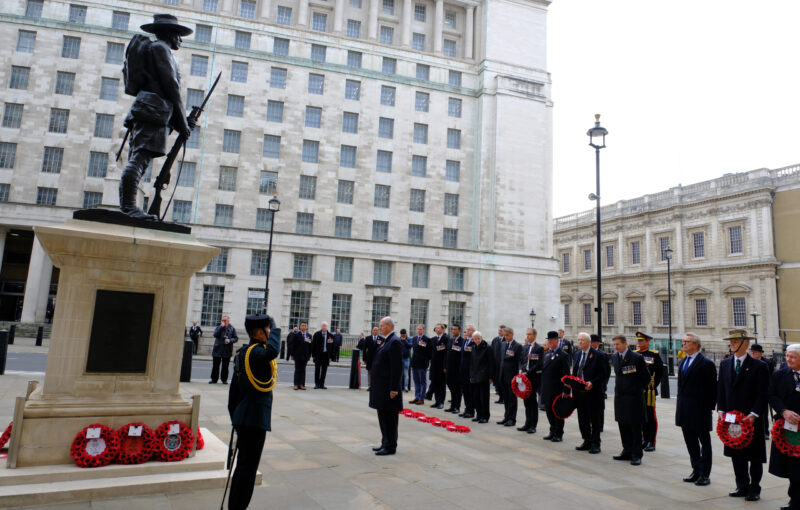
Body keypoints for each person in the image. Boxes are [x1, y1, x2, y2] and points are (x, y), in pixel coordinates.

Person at [120, 14, 194, 220]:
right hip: (152, 112)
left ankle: (129, 206)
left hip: (151, 110)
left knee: (139, 159)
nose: (180, 39)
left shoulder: (157, 49)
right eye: (178, 35)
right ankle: (128, 207)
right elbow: (172, 86)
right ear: (170, 34)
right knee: (139, 160)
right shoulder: (160, 49)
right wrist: (182, 122)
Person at [226, 314, 279, 510]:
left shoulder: (243, 353)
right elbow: (273, 351)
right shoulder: (256, 353)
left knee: (243, 467)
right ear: (259, 332)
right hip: (254, 420)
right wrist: (274, 326)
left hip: (244, 418)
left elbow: (233, 394)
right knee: (247, 471)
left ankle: (235, 506)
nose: (270, 333)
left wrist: (236, 419)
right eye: (267, 330)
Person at [717, 329, 769, 502]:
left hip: (750, 418)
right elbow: (721, 389)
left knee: (754, 456)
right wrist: (721, 410)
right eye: (730, 341)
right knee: (735, 452)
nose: (732, 344)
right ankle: (741, 485)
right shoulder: (725, 364)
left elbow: (763, 393)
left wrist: (754, 414)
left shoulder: (759, 366)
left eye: (735, 341)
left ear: (745, 343)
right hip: (731, 419)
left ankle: (755, 487)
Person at [676, 333, 717, 486]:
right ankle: (696, 469)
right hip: (685, 409)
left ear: (695, 344)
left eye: (686, 342)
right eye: (683, 342)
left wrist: (708, 409)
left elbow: (713, 389)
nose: (683, 344)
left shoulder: (706, 363)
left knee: (704, 443)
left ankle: (705, 474)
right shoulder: (682, 362)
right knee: (690, 442)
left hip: (700, 410)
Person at [768, 343, 800, 510]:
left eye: (792, 357)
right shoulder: (779, 375)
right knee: (793, 465)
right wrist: (784, 411)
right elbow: (771, 395)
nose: (788, 359)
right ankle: (794, 499)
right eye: (787, 356)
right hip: (787, 427)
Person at [611, 334, 650, 466]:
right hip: (620, 397)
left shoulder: (636, 357)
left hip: (634, 398)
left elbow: (646, 377)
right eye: (614, 345)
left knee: (635, 427)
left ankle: (636, 454)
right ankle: (626, 450)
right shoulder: (615, 357)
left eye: (618, 344)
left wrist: (639, 389)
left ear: (625, 344)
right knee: (623, 425)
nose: (616, 347)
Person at [369, 316, 403, 456]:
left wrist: (394, 388)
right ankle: (385, 442)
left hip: (389, 389)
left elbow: (396, 368)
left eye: (382, 325)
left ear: (389, 326)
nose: (380, 328)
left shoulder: (394, 342)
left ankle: (390, 446)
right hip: (381, 388)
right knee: (383, 416)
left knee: (390, 419)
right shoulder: (386, 341)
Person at [573, 331, 610, 453]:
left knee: (594, 419)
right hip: (579, 391)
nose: (580, 342)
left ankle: (596, 443)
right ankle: (586, 440)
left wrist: (592, 383)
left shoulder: (598, 355)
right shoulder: (577, 354)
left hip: (593, 392)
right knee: (582, 418)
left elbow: (603, 374)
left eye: (582, 340)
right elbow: (575, 372)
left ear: (589, 342)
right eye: (578, 340)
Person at [634, 331, 665, 452]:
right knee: (640, 416)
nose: (639, 342)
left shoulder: (653, 355)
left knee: (650, 416)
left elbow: (659, 373)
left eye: (641, 340)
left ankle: (651, 441)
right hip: (637, 390)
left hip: (649, 391)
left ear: (648, 341)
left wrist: (651, 386)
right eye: (638, 340)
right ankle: (644, 439)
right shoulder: (634, 354)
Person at [541, 330, 570, 441]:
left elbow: (566, 374)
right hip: (547, 387)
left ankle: (559, 433)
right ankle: (552, 431)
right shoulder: (547, 353)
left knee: (557, 412)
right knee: (548, 410)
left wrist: (566, 390)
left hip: (557, 388)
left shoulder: (563, 355)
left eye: (552, 340)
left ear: (557, 341)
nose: (550, 342)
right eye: (549, 340)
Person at [518, 328, 543, 434]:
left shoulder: (539, 348)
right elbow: (521, 360)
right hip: (524, 377)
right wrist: (520, 369)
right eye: (526, 334)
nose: (527, 336)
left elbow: (538, 364)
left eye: (529, 334)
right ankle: (527, 423)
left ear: (535, 336)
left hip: (533, 378)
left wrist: (528, 372)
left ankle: (533, 425)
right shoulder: (525, 347)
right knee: (526, 401)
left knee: (532, 402)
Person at [497, 327, 523, 427]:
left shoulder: (517, 346)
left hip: (512, 376)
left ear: (512, 334)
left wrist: (518, 376)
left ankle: (512, 419)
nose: (506, 337)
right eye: (504, 335)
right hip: (503, 375)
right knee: (506, 398)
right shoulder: (503, 344)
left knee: (512, 399)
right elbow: (501, 360)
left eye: (507, 335)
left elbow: (519, 362)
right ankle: (506, 416)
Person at [469, 331, 494, 423]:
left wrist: (491, 377)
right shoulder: (473, 347)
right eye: (475, 339)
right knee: (476, 397)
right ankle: (478, 415)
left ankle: (485, 416)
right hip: (475, 376)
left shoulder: (488, 348)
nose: (477, 340)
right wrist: (471, 375)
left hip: (484, 376)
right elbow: (471, 363)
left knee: (484, 398)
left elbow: (491, 363)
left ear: (481, 337)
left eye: (478, 338)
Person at [751, 343, 775, 438]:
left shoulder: (767, 363)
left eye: (755, 353)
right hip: (753, 391)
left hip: (765, 390)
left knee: (764, 413)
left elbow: (772, 377)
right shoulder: (750, 363)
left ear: (760, 353)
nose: (753, 354)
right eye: (752, 352)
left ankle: (765, 432)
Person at [211, 315, 238, 384]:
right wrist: (221, 327)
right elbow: (215, 335)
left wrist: (230, 340)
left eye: (225, 320)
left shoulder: (232, 328)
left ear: (228, 321)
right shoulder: (218, 327)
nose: (223, 322)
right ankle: (214, 379)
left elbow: (236, 338)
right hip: (218, 349)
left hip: (227, 350)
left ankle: (224, 379)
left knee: (225, 366)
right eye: (222, 320)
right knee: (215, 366)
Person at [409, 325, 431, 404]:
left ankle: (421, 398)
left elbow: (429, 352)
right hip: (414, 363)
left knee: (422, 381)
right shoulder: (414, 338)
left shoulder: (427, 339)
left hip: (422, 363)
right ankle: (417, 396)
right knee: (416, 381)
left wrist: (426, 360)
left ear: (423, 330)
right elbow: (414, 350)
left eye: (420, 329)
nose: (419, 331)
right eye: (418, 329)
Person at [445, 324, 464, 414]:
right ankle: (452, 406)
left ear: (459, 331)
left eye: (455, 329)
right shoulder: (450, 340)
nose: (453, 331)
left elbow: (461, 357)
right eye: (452, 329)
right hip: (449, 369)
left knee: (457, 389)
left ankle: (457, 407)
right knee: (451, 388)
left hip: (457, 369)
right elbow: (447, 354)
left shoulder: (462, 341)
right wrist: (445, 366)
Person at [429, 324, 448, 409]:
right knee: (435, 384)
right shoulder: (433, 339)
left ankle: (441, 402)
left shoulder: (446, 339)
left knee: (441, 385)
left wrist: (445, 366)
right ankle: (436, 401)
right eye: (435, 328)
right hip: (434, 365)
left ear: (443, 329)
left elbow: (446, 354)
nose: (436, 329)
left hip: (442, 366)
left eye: (438, 328)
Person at [459, 325, 476, 419]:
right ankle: (467, 409)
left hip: (470, 371)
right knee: (465, 391)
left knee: (470, 392)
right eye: (466, 330)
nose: (467, 331)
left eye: (469, 330)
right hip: (463, 370)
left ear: (473, 331)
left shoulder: (474, 342)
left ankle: (471, 410)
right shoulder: (465, 341)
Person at [288, 322, 311, 390]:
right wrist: (292, 355)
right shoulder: (296, 335)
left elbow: (310, 346)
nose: (303, 327)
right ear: (300, 327)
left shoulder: (309, 335)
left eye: (305, 326)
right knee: (297, 370)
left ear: (306, 327)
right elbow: (293, 345)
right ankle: (296, 384)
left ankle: (301, 384)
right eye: (302, 325)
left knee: (303, 370)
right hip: (297, 355)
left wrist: (309, 355)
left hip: (305, 356)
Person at [312, 321, 333, 389]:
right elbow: (313, 345)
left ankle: (322, 384)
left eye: (325, 326)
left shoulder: (330, 336)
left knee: (324, 370)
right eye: (323, 326)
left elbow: (332, 346)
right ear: (321, 327)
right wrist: (313, 355)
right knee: (317, 370)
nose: (324, 327)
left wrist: (331, 356)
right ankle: (317, 384)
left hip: (326, 355)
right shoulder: (316, 334)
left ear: (327, 327)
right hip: (318, 355)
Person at [491, 326, 506, 403]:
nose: (499, 332)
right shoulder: (495, 340)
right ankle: (500, 397)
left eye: (501, 331)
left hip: (502, 365)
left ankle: (503, 398)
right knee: (497, 382)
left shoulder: (506, 340)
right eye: (499, 330)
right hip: (496, 365)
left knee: (502, 382)